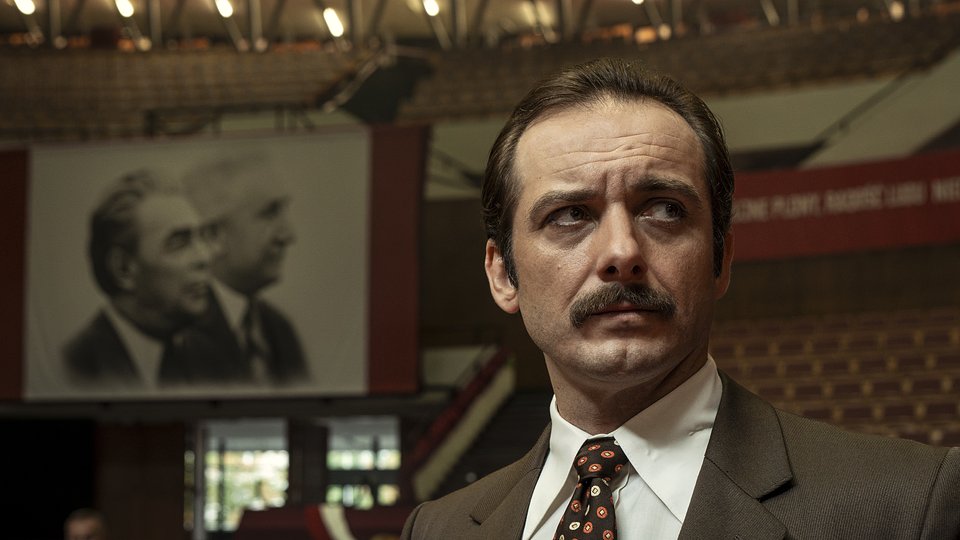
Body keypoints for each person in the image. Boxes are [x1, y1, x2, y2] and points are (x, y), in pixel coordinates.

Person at [401, 58, 960, 539]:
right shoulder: (436, 529)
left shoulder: (909, 505)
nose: (622, 251)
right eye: (570, 215)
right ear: (503, 274)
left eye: (665, 209)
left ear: (721, 259)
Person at [64, 171, 222, 389]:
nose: (205, 257)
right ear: (123, 269)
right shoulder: (76, 365)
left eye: (202, 237)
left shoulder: (211, 359)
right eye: (179, 243)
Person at [183, 155, 307, 385]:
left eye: (284, 211)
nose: (289, 235)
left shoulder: (279, 330)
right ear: (213, 236)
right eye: (269, 213)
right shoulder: (180, 332)